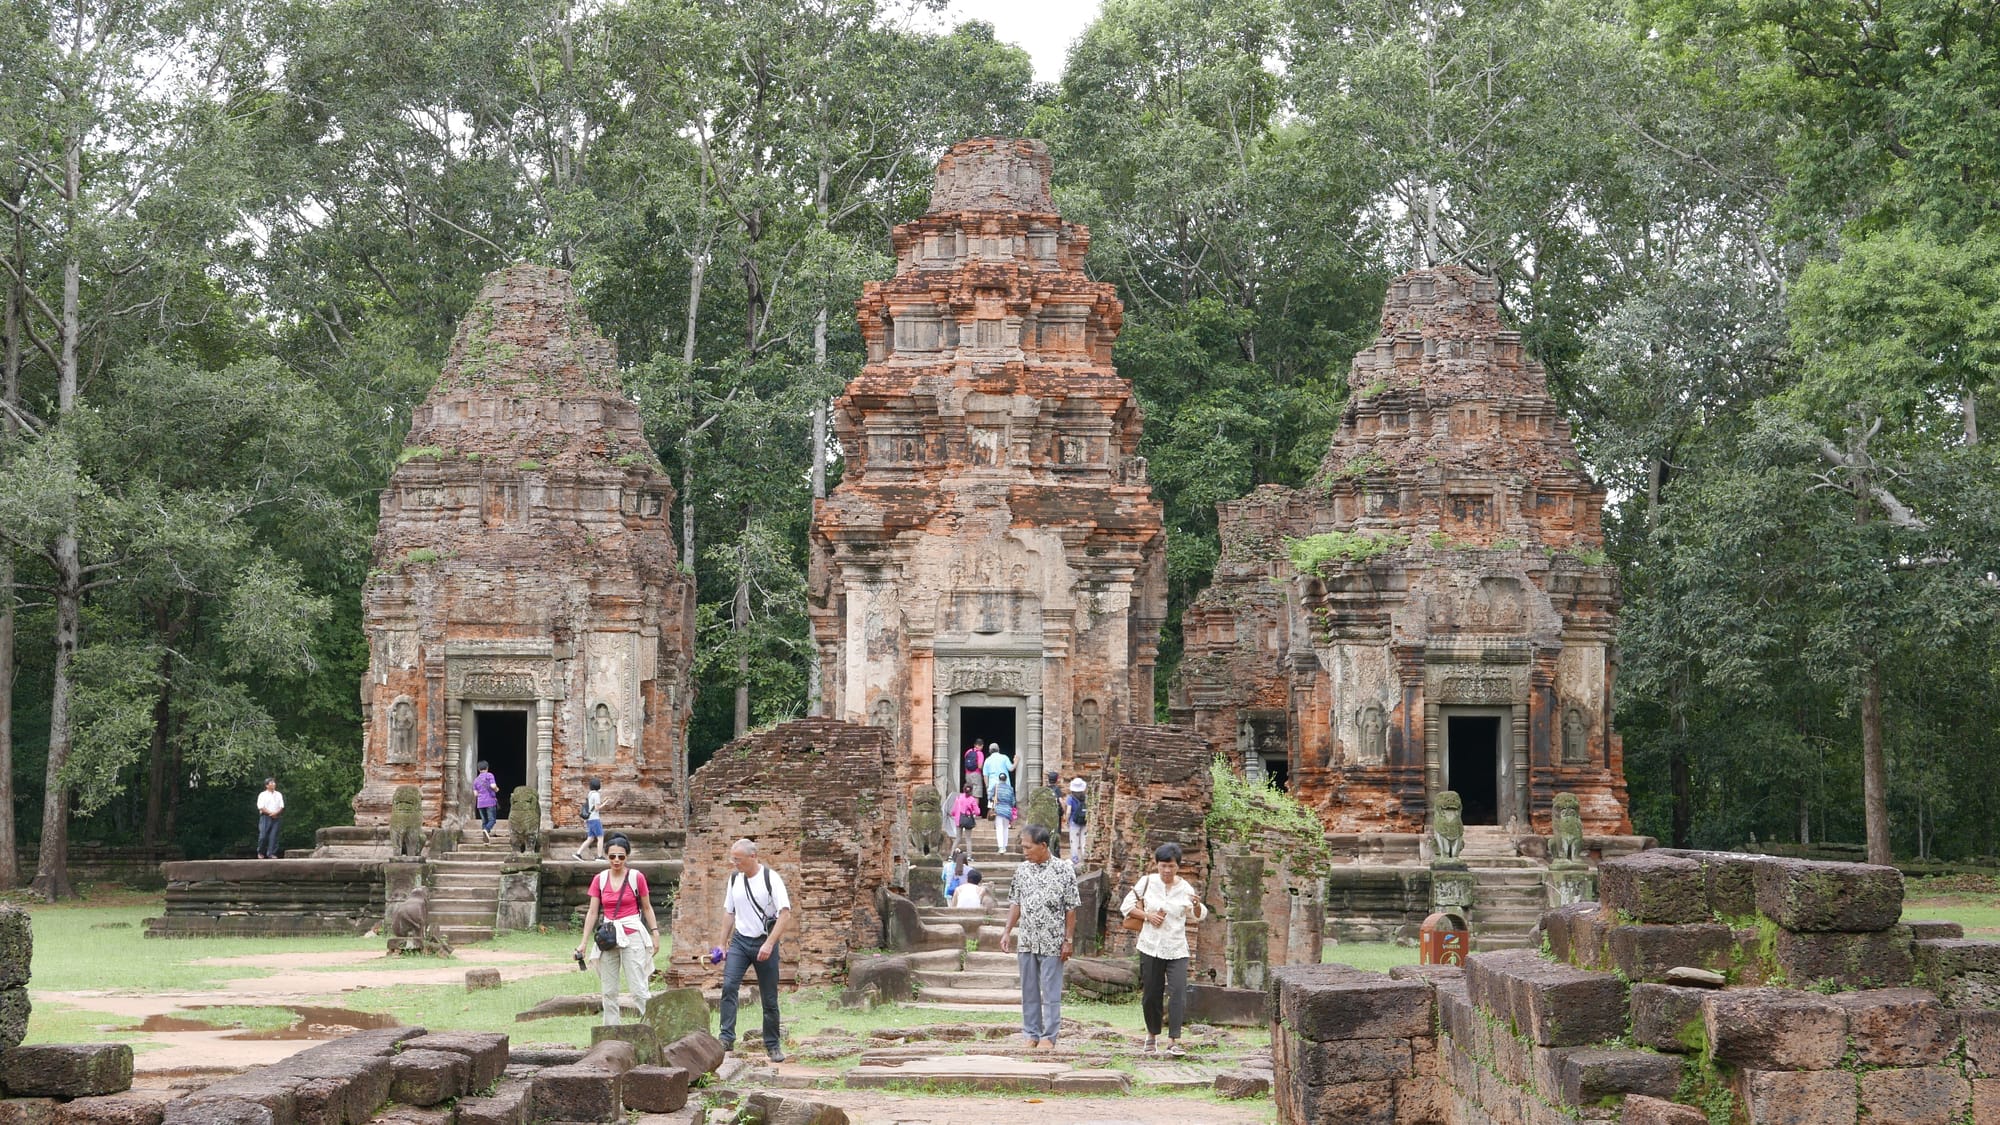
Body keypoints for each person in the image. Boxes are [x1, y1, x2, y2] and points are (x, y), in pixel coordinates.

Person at [1121, 842, 1208, 1056]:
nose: (1166, 871)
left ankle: (1173, 1041)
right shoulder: (1147, 882)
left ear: (1178, 866)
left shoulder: (1185, 888)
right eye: (1162, 866)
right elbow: (1126, 907)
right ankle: (1152, 1035)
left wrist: (1196, 905)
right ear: (1156, 865)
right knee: (1151, 993)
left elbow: (1199, 914)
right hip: (1150, 945)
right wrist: (1147, 916)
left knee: (1178, 992)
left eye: (1170, 866)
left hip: (1176, 947)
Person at [1000, 824, 1078, 1049]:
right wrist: (1007, 931)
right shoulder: (1022, 870)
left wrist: (1068, 940)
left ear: (1043, 846)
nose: (1025, 851)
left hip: (1053, 941)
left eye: (1028, 847)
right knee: (1029, 990)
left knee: (1050, 991)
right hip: (1027, 939)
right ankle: (1031, 1033)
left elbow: (1071, 908)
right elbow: (1016, 902)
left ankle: (1048, 1036)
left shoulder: (1064, 870)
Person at [714, 839, 792, 1062]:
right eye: (733, 858)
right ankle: (726, 1037)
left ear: (753, 857)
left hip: (764, 941)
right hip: (740, 941)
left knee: (769, 997)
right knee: (729, 986)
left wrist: (770, 943)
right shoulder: (734, 879)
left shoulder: (770, 879)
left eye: (738, 859)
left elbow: (785, 914)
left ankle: (773, 1045)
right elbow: (729, 912)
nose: (734, 863)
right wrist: (722, 943)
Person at [574, 834, 660, 1025]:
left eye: (621, 856)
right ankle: (611, 1033)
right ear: (606, 856)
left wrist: (655, 933)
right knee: (609, 990)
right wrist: (583, 943)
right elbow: (593, 911)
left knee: (638, 989)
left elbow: (647, 907)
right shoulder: (600, 879)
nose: (616, 860)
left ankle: (652, 1028)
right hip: (609, 935)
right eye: (612, 856)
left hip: (632, 934)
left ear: (627, 857)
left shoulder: (636, 877)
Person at [571, 778, 605, 860]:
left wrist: (602, 802)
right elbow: (596, 808)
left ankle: (578, 853)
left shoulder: (590, 794)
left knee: (590, 838)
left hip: (589, 819)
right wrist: (605, 804)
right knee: (600, 837)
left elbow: (592, 807)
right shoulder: (596, 794)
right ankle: (599, 856)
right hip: (595, 819)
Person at [255, 778, 284, 859]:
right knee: (263, 836)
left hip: (276, 816)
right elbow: (261, 807)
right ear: (267, 785)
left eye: (274, 783)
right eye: (271, 783)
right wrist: (270, 813)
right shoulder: (262, 795)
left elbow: (281, 806)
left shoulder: (278, 794)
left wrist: (276, 813)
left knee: (274, 836)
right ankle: (260, 852)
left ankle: (271, 853)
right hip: (265, 816)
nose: (274, 784)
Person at [1065, 778, 1089, 867]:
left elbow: (1068, 811)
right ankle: (1084, 857)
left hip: (1074, 822)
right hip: (1084, 821)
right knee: (1084, 841)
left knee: (1074, 841)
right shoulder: (1086, 797)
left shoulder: (1070, 798)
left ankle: (1075, 858)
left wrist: (1067, 820)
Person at [473, 761, 499, 840]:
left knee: (484, 821)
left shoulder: (476, 780)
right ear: (487, 767)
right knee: (492, 820)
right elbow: (493, 785)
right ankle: (486, 830)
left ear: (478, 769)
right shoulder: (489, 775)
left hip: (480, 803)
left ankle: (485, 837)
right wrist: (496, 789)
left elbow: (475, 794)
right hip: (490, 801)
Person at [992, 772, 1017, 853]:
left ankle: (1000, 847)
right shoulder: (1010, 788)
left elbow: (990, 797)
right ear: (1006, 779)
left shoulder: (996, 787)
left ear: (999, 779)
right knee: (1006, 828)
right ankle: (1005, 846)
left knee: (999, 828)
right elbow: (1013, 801)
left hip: (998, 810)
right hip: (1007, 811)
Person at [962, 739, 986, 814]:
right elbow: (979, 766)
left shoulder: (968, 752)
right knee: (976, 794)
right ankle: (974, 813)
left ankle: (967, 811)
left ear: (974, 744)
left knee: (969, 792)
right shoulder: (980, 753)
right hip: (976, 775)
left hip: (967, 774)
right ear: (981, 746)